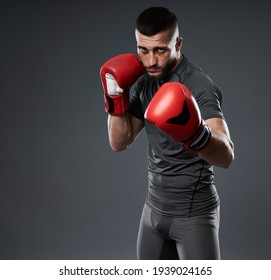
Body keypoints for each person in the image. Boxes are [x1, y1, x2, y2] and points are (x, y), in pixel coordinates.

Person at [100, 6, 234, 260]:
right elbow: (119, 142)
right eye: (143, 50)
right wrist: (115, 100)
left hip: (194, 215)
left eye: (160, 50)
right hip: (153, 213)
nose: (150, 61)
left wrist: (197, 134)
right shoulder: (144, 79)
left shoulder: (198, 84)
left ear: (178, 43)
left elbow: (226, 155)